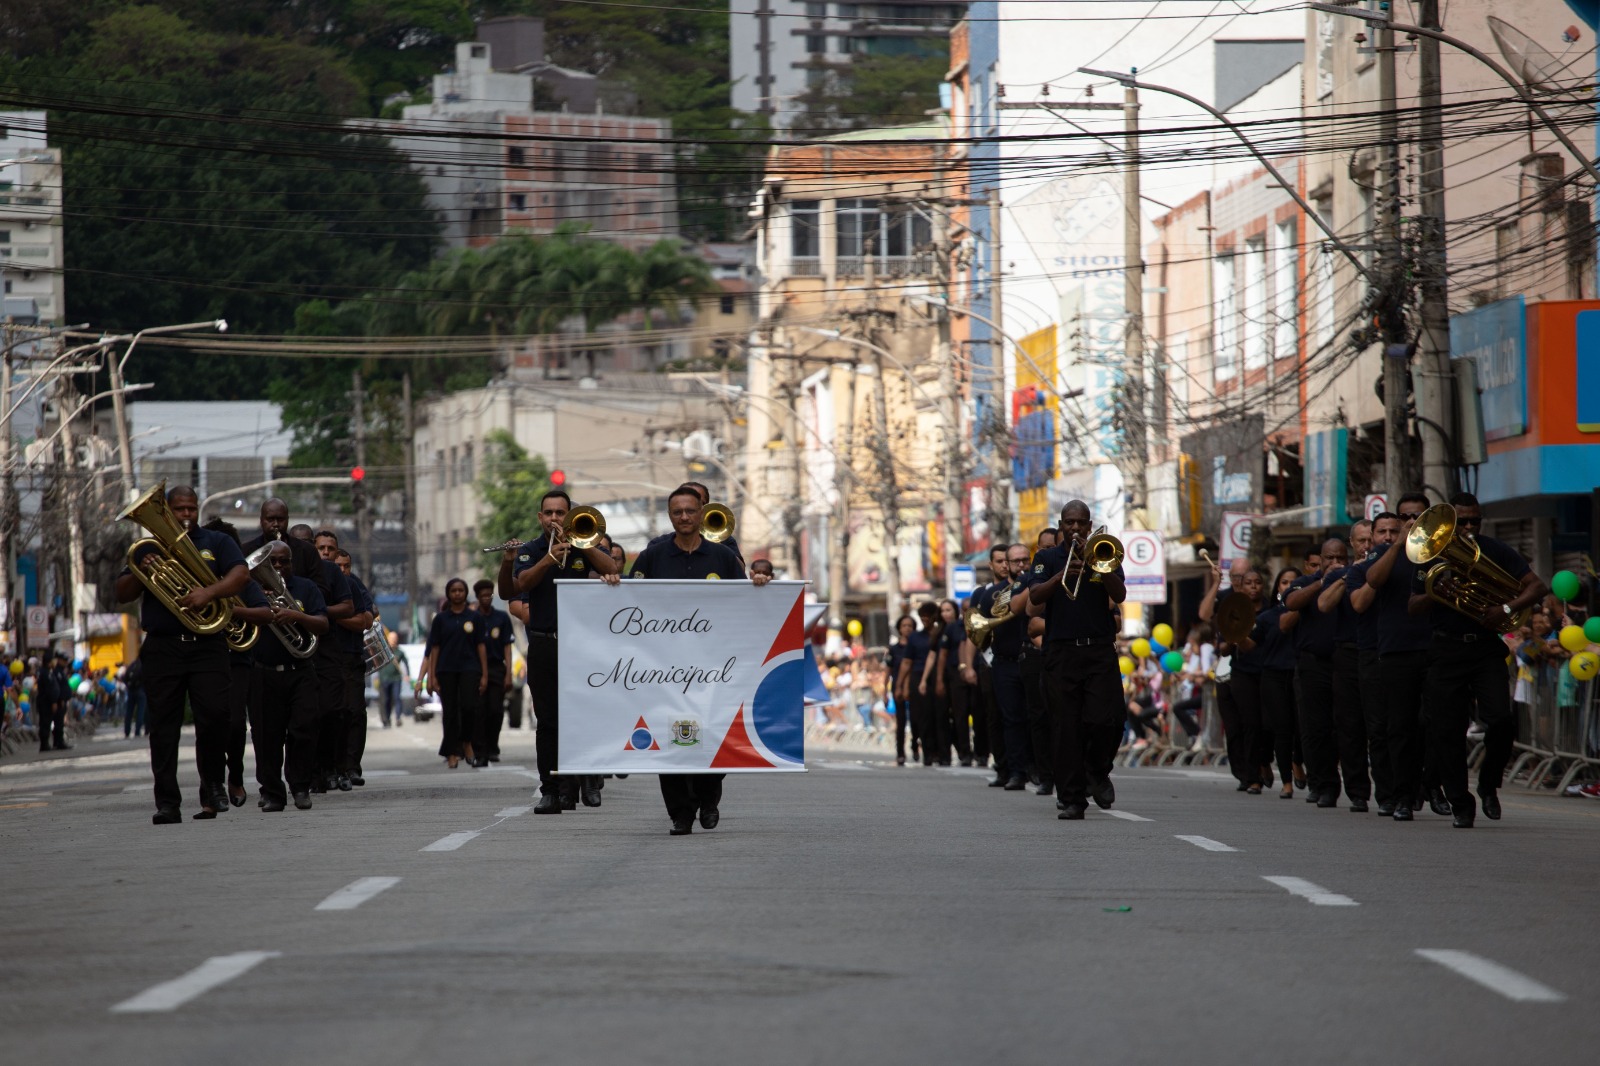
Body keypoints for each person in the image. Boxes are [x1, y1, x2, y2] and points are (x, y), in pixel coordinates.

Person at [625, 485, 771, 835]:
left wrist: (760, 583)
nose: (685, 517)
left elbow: (743, 604)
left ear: (702, 513)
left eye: (691, 511)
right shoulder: (652, 557)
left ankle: (708, 799)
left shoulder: (722, 558)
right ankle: (680, 813)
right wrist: (615, 581)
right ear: (670, 516)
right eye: (678, 512)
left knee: (710, 736)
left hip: (714, 669)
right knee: (670, 738)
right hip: (663, 671)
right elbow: (629, 605)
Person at [112, 484, 250, 824]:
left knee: (217, 717)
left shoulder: (217, 542)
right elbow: (121, 593)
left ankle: (213, 786)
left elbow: (241, 575)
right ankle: (167, 802)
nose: (186, 515)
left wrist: (210, 593)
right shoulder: (147, 548)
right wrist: (144, 569)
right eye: (179, 510)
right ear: (168, 511)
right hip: (163, 647)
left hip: (208, 645)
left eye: (191, 509)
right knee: (163, 727)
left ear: (198, 508)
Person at [1410, 492, 1548, 827]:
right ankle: (1461, 802)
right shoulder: (1430, 558)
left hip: (1485, 648)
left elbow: (1537, 587)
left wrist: (1505, 608)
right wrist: (1436, 592)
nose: (1470, 527)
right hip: (1446, 651)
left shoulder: (1495, 550)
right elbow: (1413, 607)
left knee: (1500, 720)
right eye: (1464, 521)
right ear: (1451, 524)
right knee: (1447, 731)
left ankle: (1488, 784)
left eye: (1476, 520)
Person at [499, 488, 619, 812]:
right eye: (548, 513)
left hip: (580, 648)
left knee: (582, 716)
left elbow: (612, 569)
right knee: (548, 721)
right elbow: (521, 584)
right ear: (540, 517)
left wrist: (585, 545)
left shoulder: (583, 545)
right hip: (543, 643)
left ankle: (585, 780)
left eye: (560, 513)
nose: (554, 518)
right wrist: (549, 558)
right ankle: (551, 789)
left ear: (569, 515)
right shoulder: (530, 550)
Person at [1021, 499, 1127, 820]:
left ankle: (1097, 771)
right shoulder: (1047, 557)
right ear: (1061, 525)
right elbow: (1036, 598)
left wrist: (1100, 567)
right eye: (1070, 523)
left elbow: (1120, 595)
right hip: (1062, 651)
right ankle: (1072, 799)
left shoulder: (1103, 552)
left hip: (1098, 650)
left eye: (1082, 523)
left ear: (1090, 525)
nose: (1076, 528)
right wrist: (1061, 576)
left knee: (1106, 719)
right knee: (1066, 727)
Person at [1350, 493, 1442, 820]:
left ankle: (1433, 787)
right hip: (1395, 651)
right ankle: (1402, 796)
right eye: (1406, 517)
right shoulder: (1384, 554)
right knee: (1398, 727)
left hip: (1434, 648)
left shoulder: (1438, 550)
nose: (1411, 522)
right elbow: (1372, 582)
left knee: (1434, 724)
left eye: (1418, 516)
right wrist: (1397, 544)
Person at [232, 541, 328, 811]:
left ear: (291, 563)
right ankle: (273, 792)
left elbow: (323, 624)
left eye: (283, 562)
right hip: (263, 672)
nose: (276, 567)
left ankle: (300, 787)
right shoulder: (250, 590)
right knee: (266, 737)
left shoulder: (306, 588)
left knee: (304, 729)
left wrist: (296, 615)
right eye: (271, 563)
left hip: (301, 671)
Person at [1283, 538, 1358, 808]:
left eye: (1341, 558)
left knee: (1347, 727)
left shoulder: (1354, 578)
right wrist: (1322, 581)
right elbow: (1291, 602)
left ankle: (1356, 790)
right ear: (1320, 560)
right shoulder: (1307, 582)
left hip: (1345, 661)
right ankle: (1323, 785)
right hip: (1313, 665)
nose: (1336, 563)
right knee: (1316, 729)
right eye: (1330, 559)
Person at [204, 516, 268, 808]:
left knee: (235, 723)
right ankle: (212, 783)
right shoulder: (195, 578)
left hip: (238, 658)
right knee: (210, 722)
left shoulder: (242, 580)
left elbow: (264, 613)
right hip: (203, 657)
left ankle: (236, 776)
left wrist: (229, 611)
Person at [1338, 513, 1398, 814]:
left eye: (1393, 532)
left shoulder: (1406, 563)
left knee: (1408, 725)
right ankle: (1381, 794)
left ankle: (1410, 789)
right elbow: (1358, 603)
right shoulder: (1356, 572)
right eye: (1380, 533)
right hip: (1366, 653)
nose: (1386, 538)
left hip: (1402, 652)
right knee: (1369, 727)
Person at [290, 525, 356, 793]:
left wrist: (314, 612)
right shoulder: (280, 569)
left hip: (327, 651)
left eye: (310, 544)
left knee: (331, 711)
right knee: (302, 718)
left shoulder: (330, 571)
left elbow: (349, 607)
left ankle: (329, 765)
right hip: (292, 650)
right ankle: (305, 775)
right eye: (303, 544)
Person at [321, 535, 375, 787]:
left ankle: (351, 767)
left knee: (354, 712)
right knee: (331, 714)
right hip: (323, 659)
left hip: (350, 657)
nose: (342, 570)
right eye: (322, 549)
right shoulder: (316, 581)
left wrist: (330, 616)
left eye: (346, 566)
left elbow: (365, 620)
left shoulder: (353, 584)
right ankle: (328, 768)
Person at [418, 578, 488, 769]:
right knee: (449, 713)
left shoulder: (475, 618)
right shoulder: (440, 620)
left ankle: (466, 742)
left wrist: (484, 674)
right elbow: (434, 649)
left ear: (466, 593)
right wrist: (431, 677)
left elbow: (481, 646)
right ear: (448, 594)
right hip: (446, 670)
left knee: (468, 708)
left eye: (460, 590)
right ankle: (451, 752)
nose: (457, 594)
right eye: (453, 591)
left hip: (470, 669)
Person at [966, 544, 1012, 786]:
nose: (1005, 565)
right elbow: (973, 632)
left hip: (1015, 659)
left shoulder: (1022, 587)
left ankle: (1024, 766)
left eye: (1008, 561)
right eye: (1000, 561)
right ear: (991, 565)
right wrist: (967, 666)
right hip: (989, 660)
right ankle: (1002, 767)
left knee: (1016, 716)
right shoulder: (982, 594)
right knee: (994, 716)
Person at [470, 579, 515, 766]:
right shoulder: (472, 618)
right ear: (478, 598)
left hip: (497, 668)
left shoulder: (502, 618)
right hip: (477, 670)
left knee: (495, 711)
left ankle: (493, 747)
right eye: (483, 596)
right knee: (478, 712)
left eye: (489, 595)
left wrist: (509, 673)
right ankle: (480, 752)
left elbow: (507, 646)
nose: (486, 598)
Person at [907, 601, 942, 765]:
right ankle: (925, 750)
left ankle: (938, 751)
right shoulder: (914, 637)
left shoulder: (940, 633)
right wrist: (901, 685)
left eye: (928, 616)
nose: (924, 619)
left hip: (938, 676)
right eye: (922, 617)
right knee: (921, 717)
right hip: (918, 677)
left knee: (938, 716)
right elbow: (907, 663)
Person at [886, 615, 916, 765]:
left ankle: (916, 746)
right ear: (899, 628)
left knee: (917, 720)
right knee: (901, 721)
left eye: (910, 626)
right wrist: (885, 690)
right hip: (897, 686)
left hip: (914, 687)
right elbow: (888, 670)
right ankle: (900, 753)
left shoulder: (918, 646)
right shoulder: (893, 649)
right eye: (904, 625)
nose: (907, 628)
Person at [377, 631, 410, 728]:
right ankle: (386, 720)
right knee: (386, 700)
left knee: (397, 698)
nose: (393, 640)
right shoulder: (383, 649)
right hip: (384, 678)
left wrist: (407, 674)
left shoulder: (400, 652)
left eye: (395, 638)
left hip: (396, 679)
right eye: (391, 638)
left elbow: (406, 663)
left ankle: (398, 717)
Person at [122, 656, 146, 738]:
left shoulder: (132, 665)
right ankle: (137, 731)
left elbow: (124, 677)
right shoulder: (143, 665)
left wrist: (129, 685)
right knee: (140, 711)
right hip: (140, 691)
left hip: (131, 691)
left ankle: (127, 731)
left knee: (129, 712)